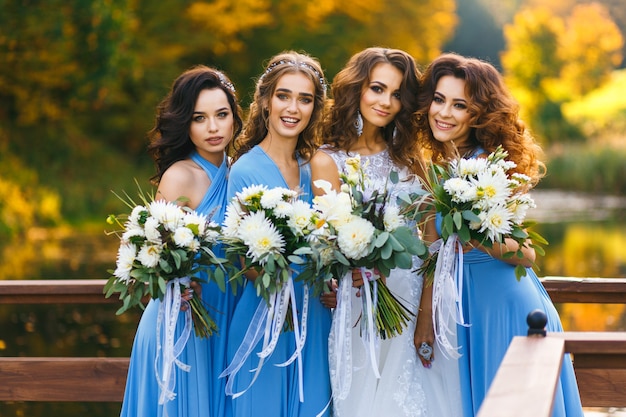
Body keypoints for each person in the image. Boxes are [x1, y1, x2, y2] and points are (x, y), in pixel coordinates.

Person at [413, 52, 584, 417]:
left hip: (504, 305)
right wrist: (424, 319)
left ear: (478, 114)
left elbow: (525, 254)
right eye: (439, 100)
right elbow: (431, 246)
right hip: (457, 307)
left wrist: (473, 225)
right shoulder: (435, 167)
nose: (444, 113)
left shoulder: (493, 169)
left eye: (459, 105)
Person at [310, 46, 461, 417]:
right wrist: (335, 282)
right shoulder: (327, 159)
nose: (386, 102)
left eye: (397, 94)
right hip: (360, 306)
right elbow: (326, 240)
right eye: (377, 89)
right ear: (357, 89)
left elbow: (431, 244)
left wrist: (426, 316)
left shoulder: (413, 159)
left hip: (410, 304)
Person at [120, 65, 243, 417]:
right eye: (199, 118)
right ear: (185, 124)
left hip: (226, 316)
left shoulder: (242, 172)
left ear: (235, 117)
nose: (213, 127)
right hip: (183, 319)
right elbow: (152, 257)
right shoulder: (179, 176)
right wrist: (178, 282)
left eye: (221, 115)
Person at [222, 51, 332, 417]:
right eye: (284, 95)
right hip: (266, 315)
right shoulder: (244, 171)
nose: (293, 108)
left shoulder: (315, 167)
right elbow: (243, 261)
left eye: (305, 99)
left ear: (314, 108)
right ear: (266, 101)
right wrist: (281, 272)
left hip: (314, 315)